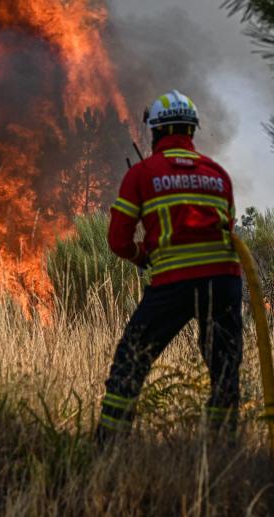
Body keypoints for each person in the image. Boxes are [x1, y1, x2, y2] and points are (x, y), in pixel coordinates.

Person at [96, 90, 243, 444]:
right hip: (224, 282)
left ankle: (108, 445)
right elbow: (226, 228)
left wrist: (142, 254)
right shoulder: (218, 174)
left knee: (132, 359)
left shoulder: (143, 174)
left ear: (157, 131)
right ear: (191, 130)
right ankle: (222, 445)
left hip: (174, 284)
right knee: (224, 368)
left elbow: (118, 240)